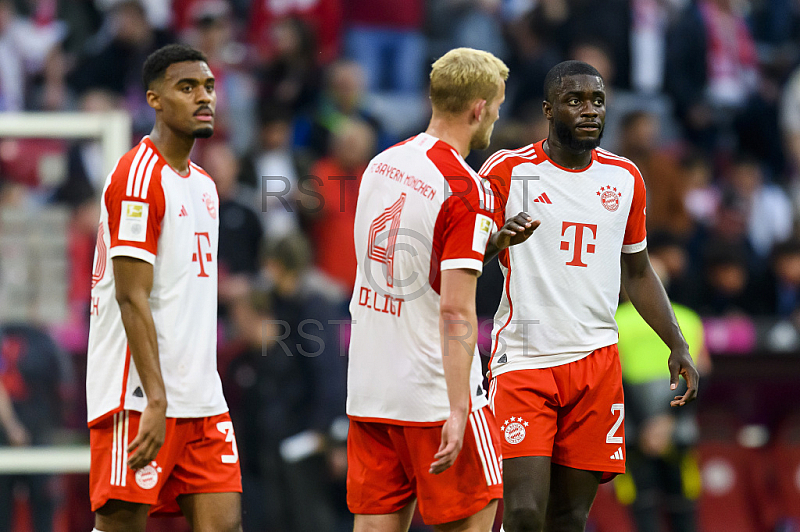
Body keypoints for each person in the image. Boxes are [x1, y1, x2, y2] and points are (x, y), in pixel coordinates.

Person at [479, 60, 699, 532]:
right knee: (521, 513)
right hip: (524, 359)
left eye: (597, 101)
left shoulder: (625, 179)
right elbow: (462, 256)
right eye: (575, 100)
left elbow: (637, 271)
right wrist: (497, 241)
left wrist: (677, 342)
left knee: (570, 516)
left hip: (596, 364)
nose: (589, 110)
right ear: (548, 109)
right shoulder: (507, 169)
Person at [347, 47, 514, 532]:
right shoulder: (468, 189)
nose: (497, 116)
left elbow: (399, 267)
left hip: (371, 391)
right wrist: (460, 408)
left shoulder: (381, 164)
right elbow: (455, 311)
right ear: (478, 108)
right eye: (497, 106)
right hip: (433, 397)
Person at [85, 44, 241, 532]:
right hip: (137, 395)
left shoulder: (205, 186)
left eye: (209, 87)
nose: (204, 97)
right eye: (187, 87)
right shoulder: (137, 178)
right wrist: (156, 399)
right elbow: (131, 297)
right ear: (154, 99)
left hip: (202, 398)